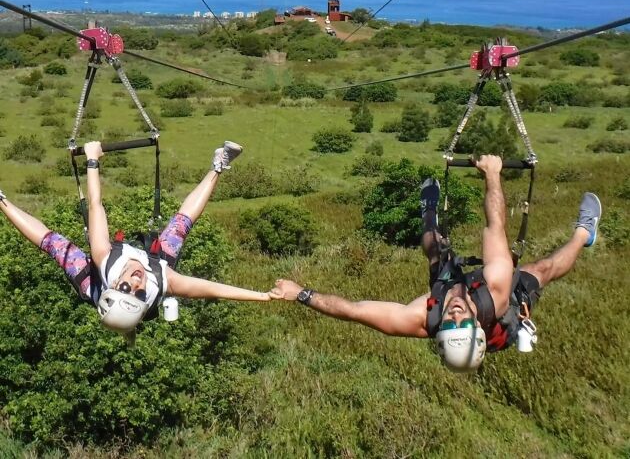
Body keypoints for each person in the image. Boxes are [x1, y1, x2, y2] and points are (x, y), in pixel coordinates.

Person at [271, 155, 602, 372]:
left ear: (437, 330)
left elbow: (353, 310)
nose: (455, 314)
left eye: (449, 323)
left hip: (456, 287)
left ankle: (427, 207)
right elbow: (494, 226)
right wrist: (492, 175)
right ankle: (585, 232)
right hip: (504, 302)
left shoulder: (418, 319)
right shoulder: (497, 294)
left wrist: (300, 293)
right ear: (477, 325)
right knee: (542, 270)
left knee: (435, 250)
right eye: (463, 322)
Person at [0, 140, 274, 343]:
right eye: (140, 292)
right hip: (155, 264)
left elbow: (96, 206)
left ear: (115, 284)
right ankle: (218, 166)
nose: (137, 281)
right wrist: (264, 296)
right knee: (180, 225)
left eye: (125, 286)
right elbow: (216, 290)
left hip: (92, 280)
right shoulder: (163, 282)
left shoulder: (104, 261)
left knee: (55, 245)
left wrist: (92, 160)